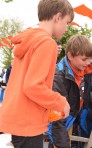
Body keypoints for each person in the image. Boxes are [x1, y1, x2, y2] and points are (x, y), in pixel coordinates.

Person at [0, 0, 74, 148]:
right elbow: (33, 86)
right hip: (29, 120)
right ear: (58, 17)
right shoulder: (47, 43)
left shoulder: (30, 40)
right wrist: (60, 101)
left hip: (18, 117)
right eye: (67, 22)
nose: (66, 29)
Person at [47, 35, 92, 148]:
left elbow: (84, 90)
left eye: (90, 59)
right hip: (59, 123)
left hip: (72, 119)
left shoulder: (81, 70)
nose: (88, 63)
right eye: (84, 59)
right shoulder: (58, 77)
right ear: (70, 56)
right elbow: (56, 118)